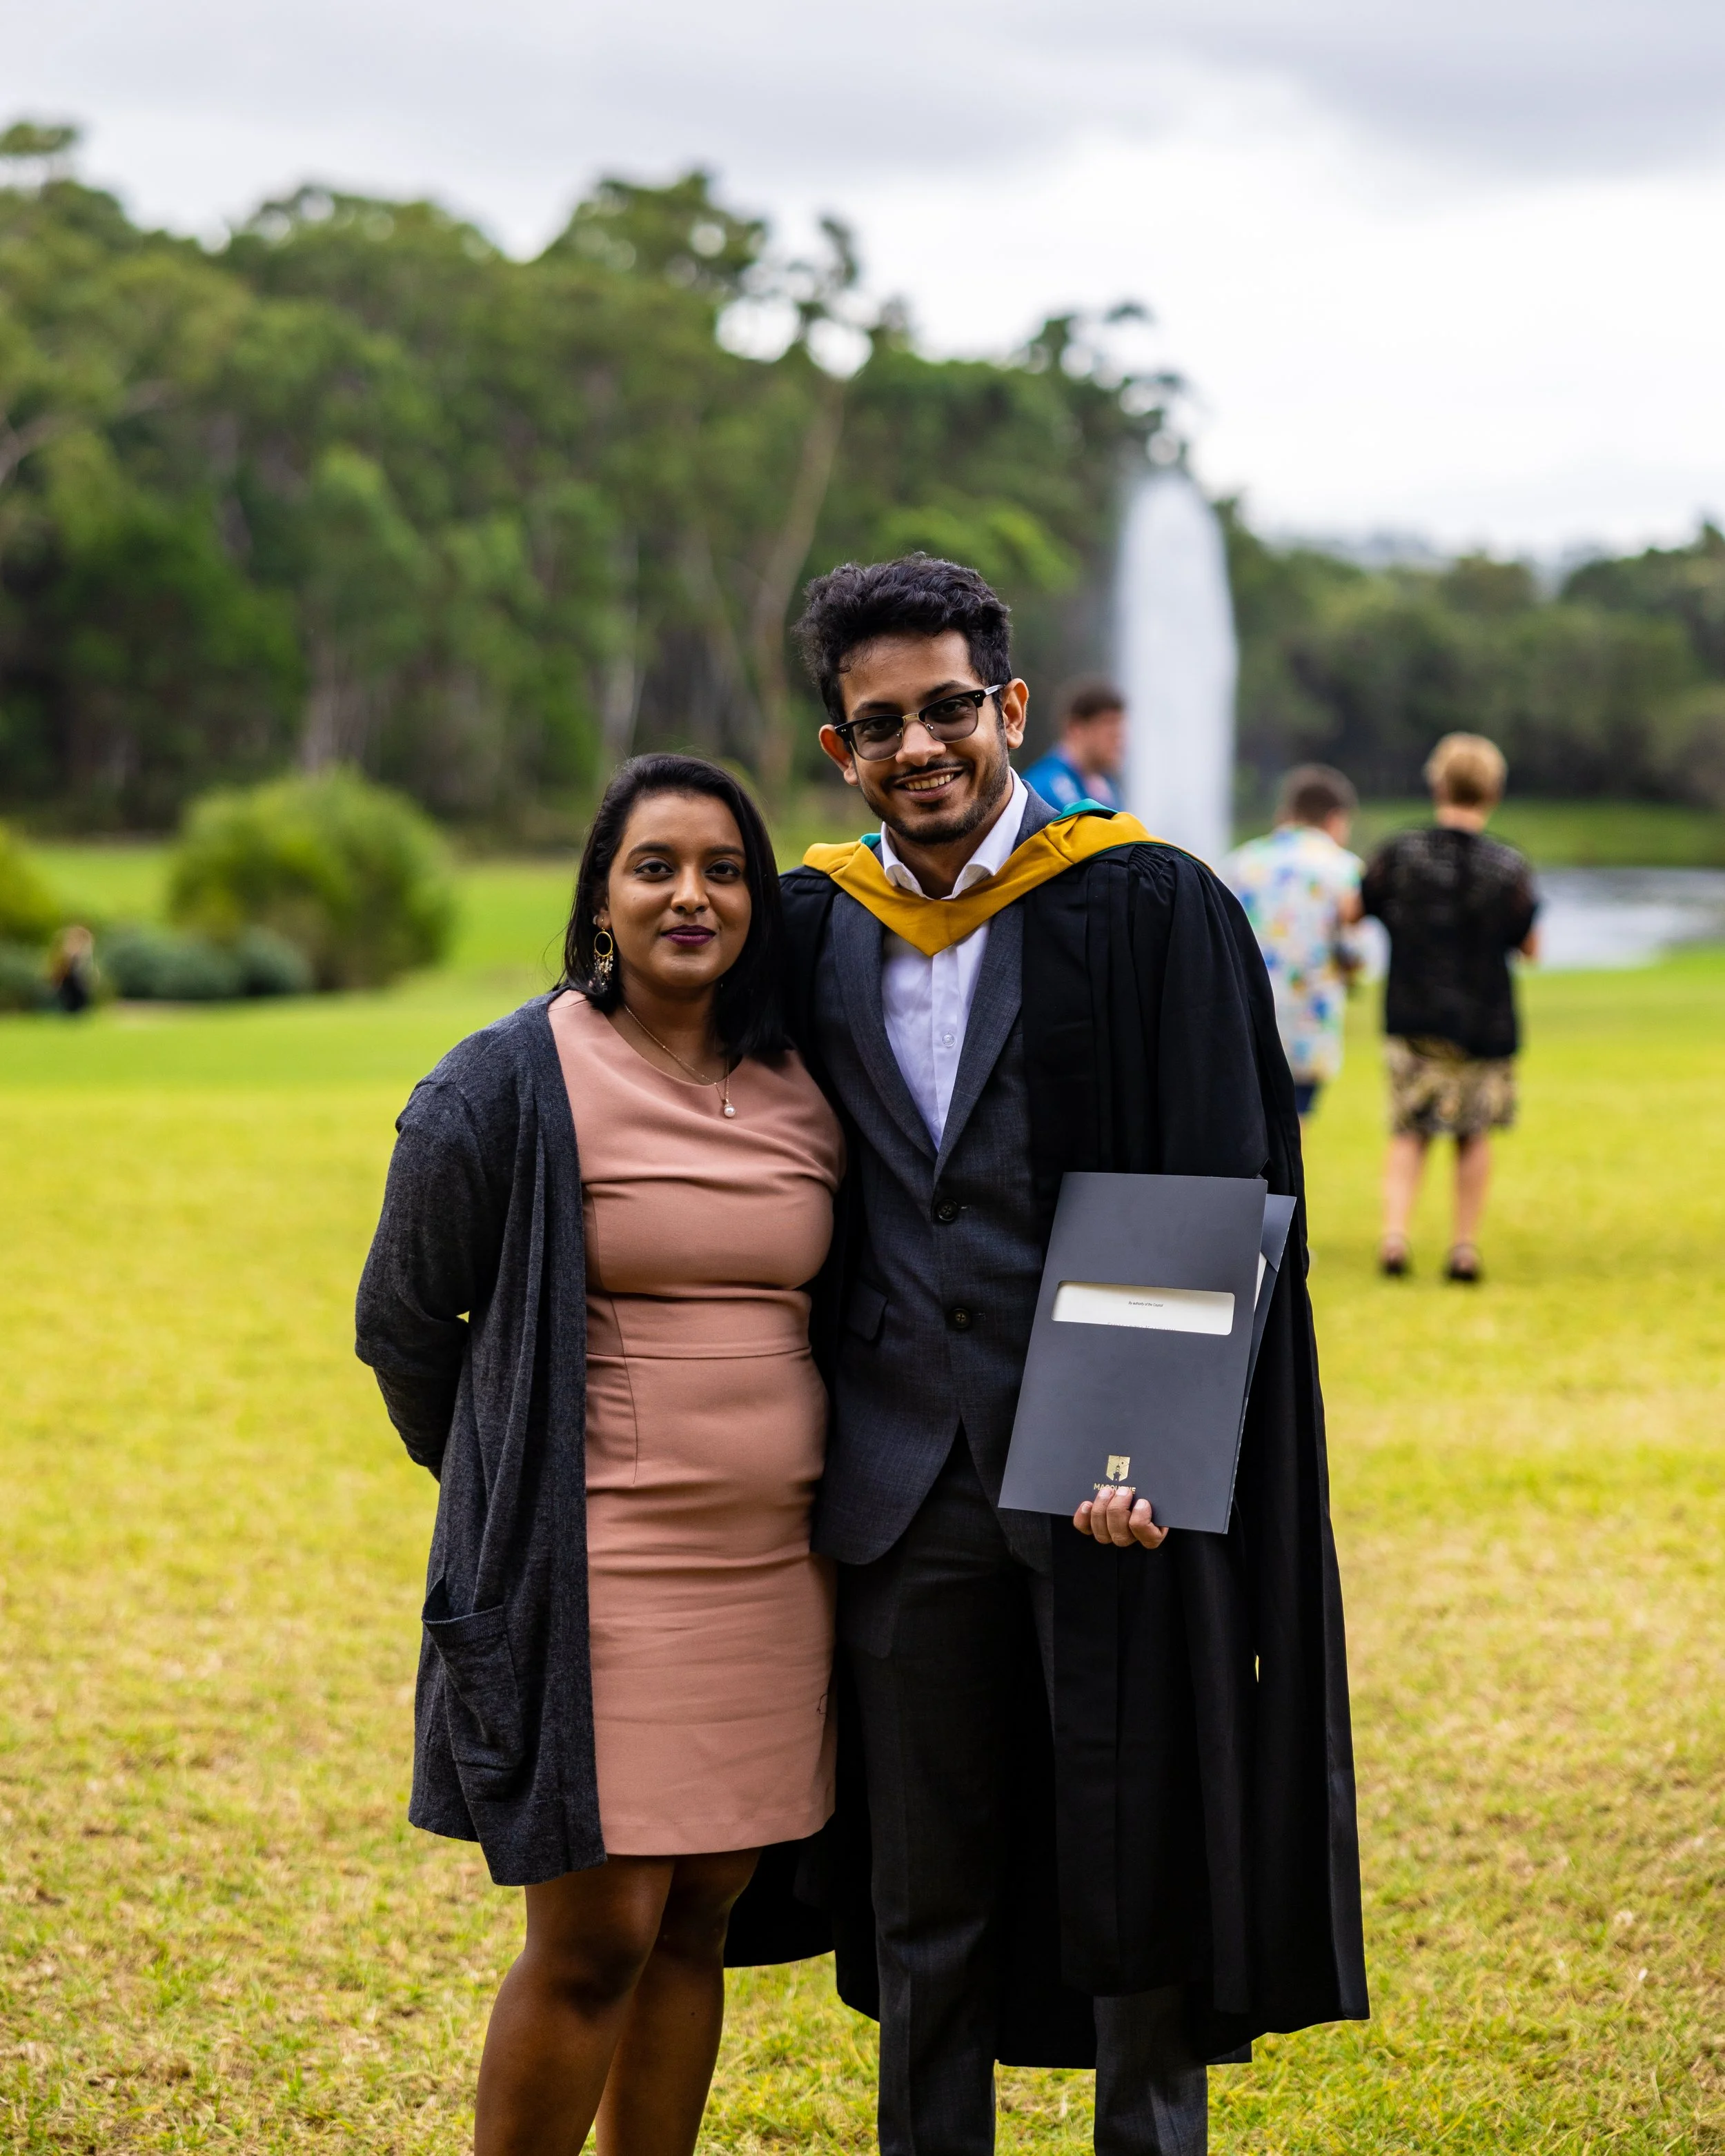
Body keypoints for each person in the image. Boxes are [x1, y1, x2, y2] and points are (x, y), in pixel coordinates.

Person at [782, 556, 1367, 2156]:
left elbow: (1212, 1176)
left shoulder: (1146, 901)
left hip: (1101, 1480)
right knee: (927, 1899)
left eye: (949, 708)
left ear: (1010, 708)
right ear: (841, 746)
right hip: (901, 1489)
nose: (919, 746)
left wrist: (1148, 1448)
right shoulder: (812, 922)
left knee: (1136, 1864)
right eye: (879, 721)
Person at [355, 754, 844, 2156]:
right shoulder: (511, 1080)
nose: (691, 892)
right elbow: (402, 1319)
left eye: (724, 867)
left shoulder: (804, 1081)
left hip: (771, 1574)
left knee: (701, 1912)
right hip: (599, 1575)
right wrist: (501, 1484)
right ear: (602, 896)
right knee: (596, 1932)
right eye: (654, 865)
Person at [1361, 731, 1539, 1284]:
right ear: (1494, 791)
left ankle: (1395, 1236)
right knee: (1472, 1132)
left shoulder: (1399, 853)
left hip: (1413, 1014)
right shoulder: (1509, 866)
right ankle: (1463, 1247)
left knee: (1410, 1130)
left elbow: (1354, 908)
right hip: (1485, 1021)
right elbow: (1530, 947)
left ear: (1438, 782)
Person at [1226, 767, 1364, 1119]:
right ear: (1336, 818)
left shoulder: (1241, 863)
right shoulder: (1343, 869)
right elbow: (1357, 954)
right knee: (1293, 1124)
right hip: (1307, 1026)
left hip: (1245, 1021)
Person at [1018, 674, 1127, 810]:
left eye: (1120, 730)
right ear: (1076, 729)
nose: (1119, 740)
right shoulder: (1044, 787)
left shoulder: (1106, 787)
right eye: (1109, 728)